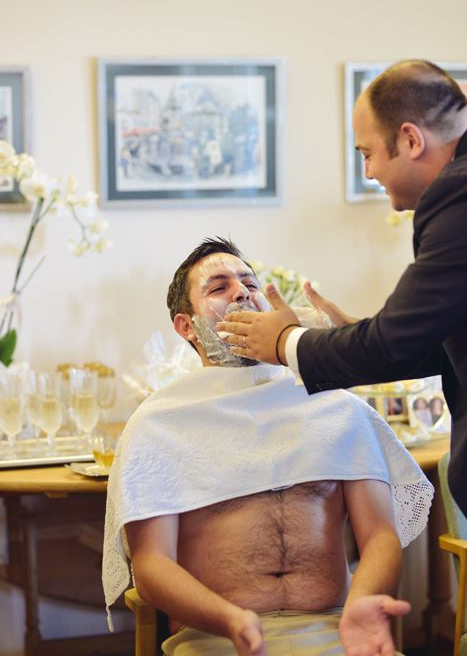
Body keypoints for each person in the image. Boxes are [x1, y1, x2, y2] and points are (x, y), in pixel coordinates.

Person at [103, 237, 433, 656]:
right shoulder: (158, 424)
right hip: (216, 638)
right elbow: (151, 565)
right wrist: (230, 620)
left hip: (337, 630)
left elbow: (381, 536)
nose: (242, 292)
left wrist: (362, 605)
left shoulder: (335, 406)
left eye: (249, 283)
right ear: (186, 326)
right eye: (219, 286)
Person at [216, 60, 467, 518]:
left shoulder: (457, 195)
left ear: (411, 140)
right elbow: (442, 333)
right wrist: (354, 331)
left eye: (367, 153)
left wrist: (285, 341)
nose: (368, 173)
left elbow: (393, 345)